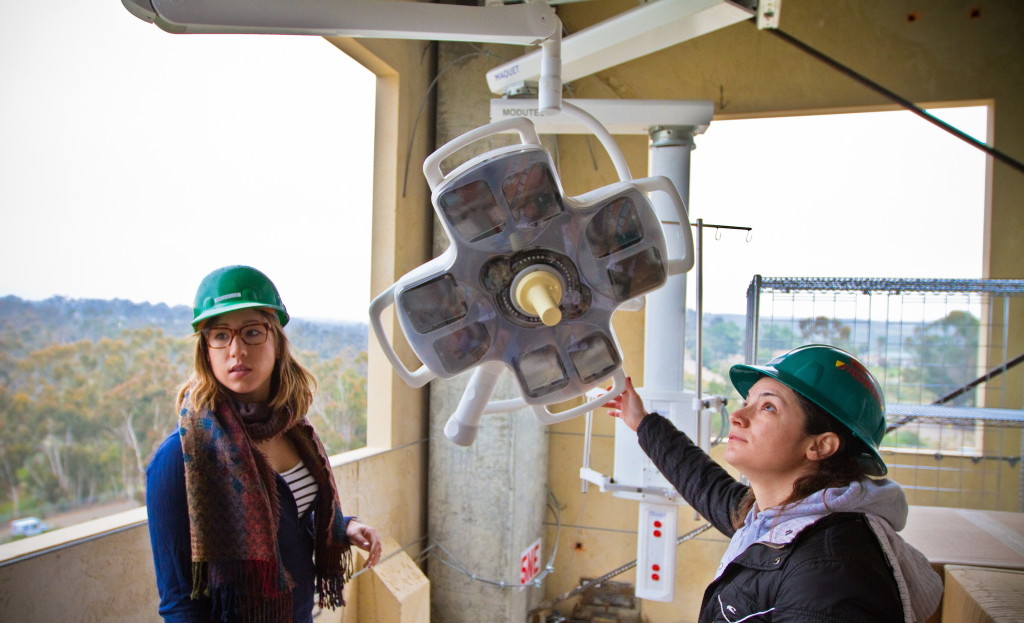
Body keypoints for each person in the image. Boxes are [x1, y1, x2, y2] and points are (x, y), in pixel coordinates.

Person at [604, 344, 943, 623]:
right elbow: (706, 484)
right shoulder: (779, 517)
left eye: (768, 406)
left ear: (820, 445)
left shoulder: (831, 572)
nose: (738, 416)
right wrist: (642, 422)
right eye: (747, 401)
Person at [146, 265, 382, 623]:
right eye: (220, 336)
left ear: (276, 341)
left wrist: (342, 526)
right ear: (206, 351)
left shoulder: (294, 430)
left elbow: (289, 521)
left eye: (252, 332)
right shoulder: (181, 458)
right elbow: (180, 603)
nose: (236, 350)